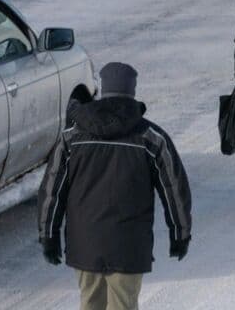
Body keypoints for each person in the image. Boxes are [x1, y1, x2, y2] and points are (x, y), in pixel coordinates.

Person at [38, 62, 192, 310]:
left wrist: (48, 235)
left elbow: (52, 190)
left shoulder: (72, 138)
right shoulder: (151, 138)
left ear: (102, 89)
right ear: (132, 91)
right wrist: (179, 233)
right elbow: (173, 188)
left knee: (90, 304)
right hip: (128, 245)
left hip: (85, 243)